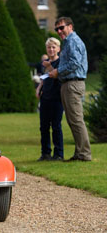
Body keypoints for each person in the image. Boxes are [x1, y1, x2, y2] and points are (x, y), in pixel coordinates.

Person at [45, 17, 91, 162]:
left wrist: (58, 71)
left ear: (70, 26)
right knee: (72, 120)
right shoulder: (68, 42)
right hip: (67, 84)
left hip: (73, 84)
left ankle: (84, 154)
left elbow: (75, 63)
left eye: (61, 27)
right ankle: (79, 153)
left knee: (76, 120)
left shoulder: (73, 41)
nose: (59, 31)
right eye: (56, 29)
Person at [36, 38, 64, 161]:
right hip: (45, 97)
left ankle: (58, 154)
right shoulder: (45, 63)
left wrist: (49, 66)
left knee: (56, 126)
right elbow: (45, 77)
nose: (51, 49)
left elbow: (57, 75)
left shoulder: (61, 62)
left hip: (57, 97)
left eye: (53, 47)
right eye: (49, 47)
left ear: (58, 49)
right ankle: (45, 153)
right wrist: (39, 88)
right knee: (44, 127)